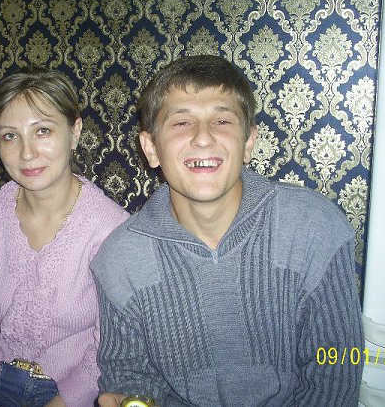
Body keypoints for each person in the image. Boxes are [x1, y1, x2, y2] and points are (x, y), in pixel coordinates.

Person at [91, 55, 363, 406]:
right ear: (151, 148)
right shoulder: (119, 259)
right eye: (181, 122)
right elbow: (129, 374)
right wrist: (129, 397)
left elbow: (336, 367)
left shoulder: (314, 229)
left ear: (248, 142)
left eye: (221, 120)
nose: (203, 138)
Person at [0, 66, 130, 407]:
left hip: (72, 391)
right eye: (10, 136)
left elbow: (108, 349)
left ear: (74, 132)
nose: (26, 153)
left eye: (42, 131)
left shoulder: (112, 229)